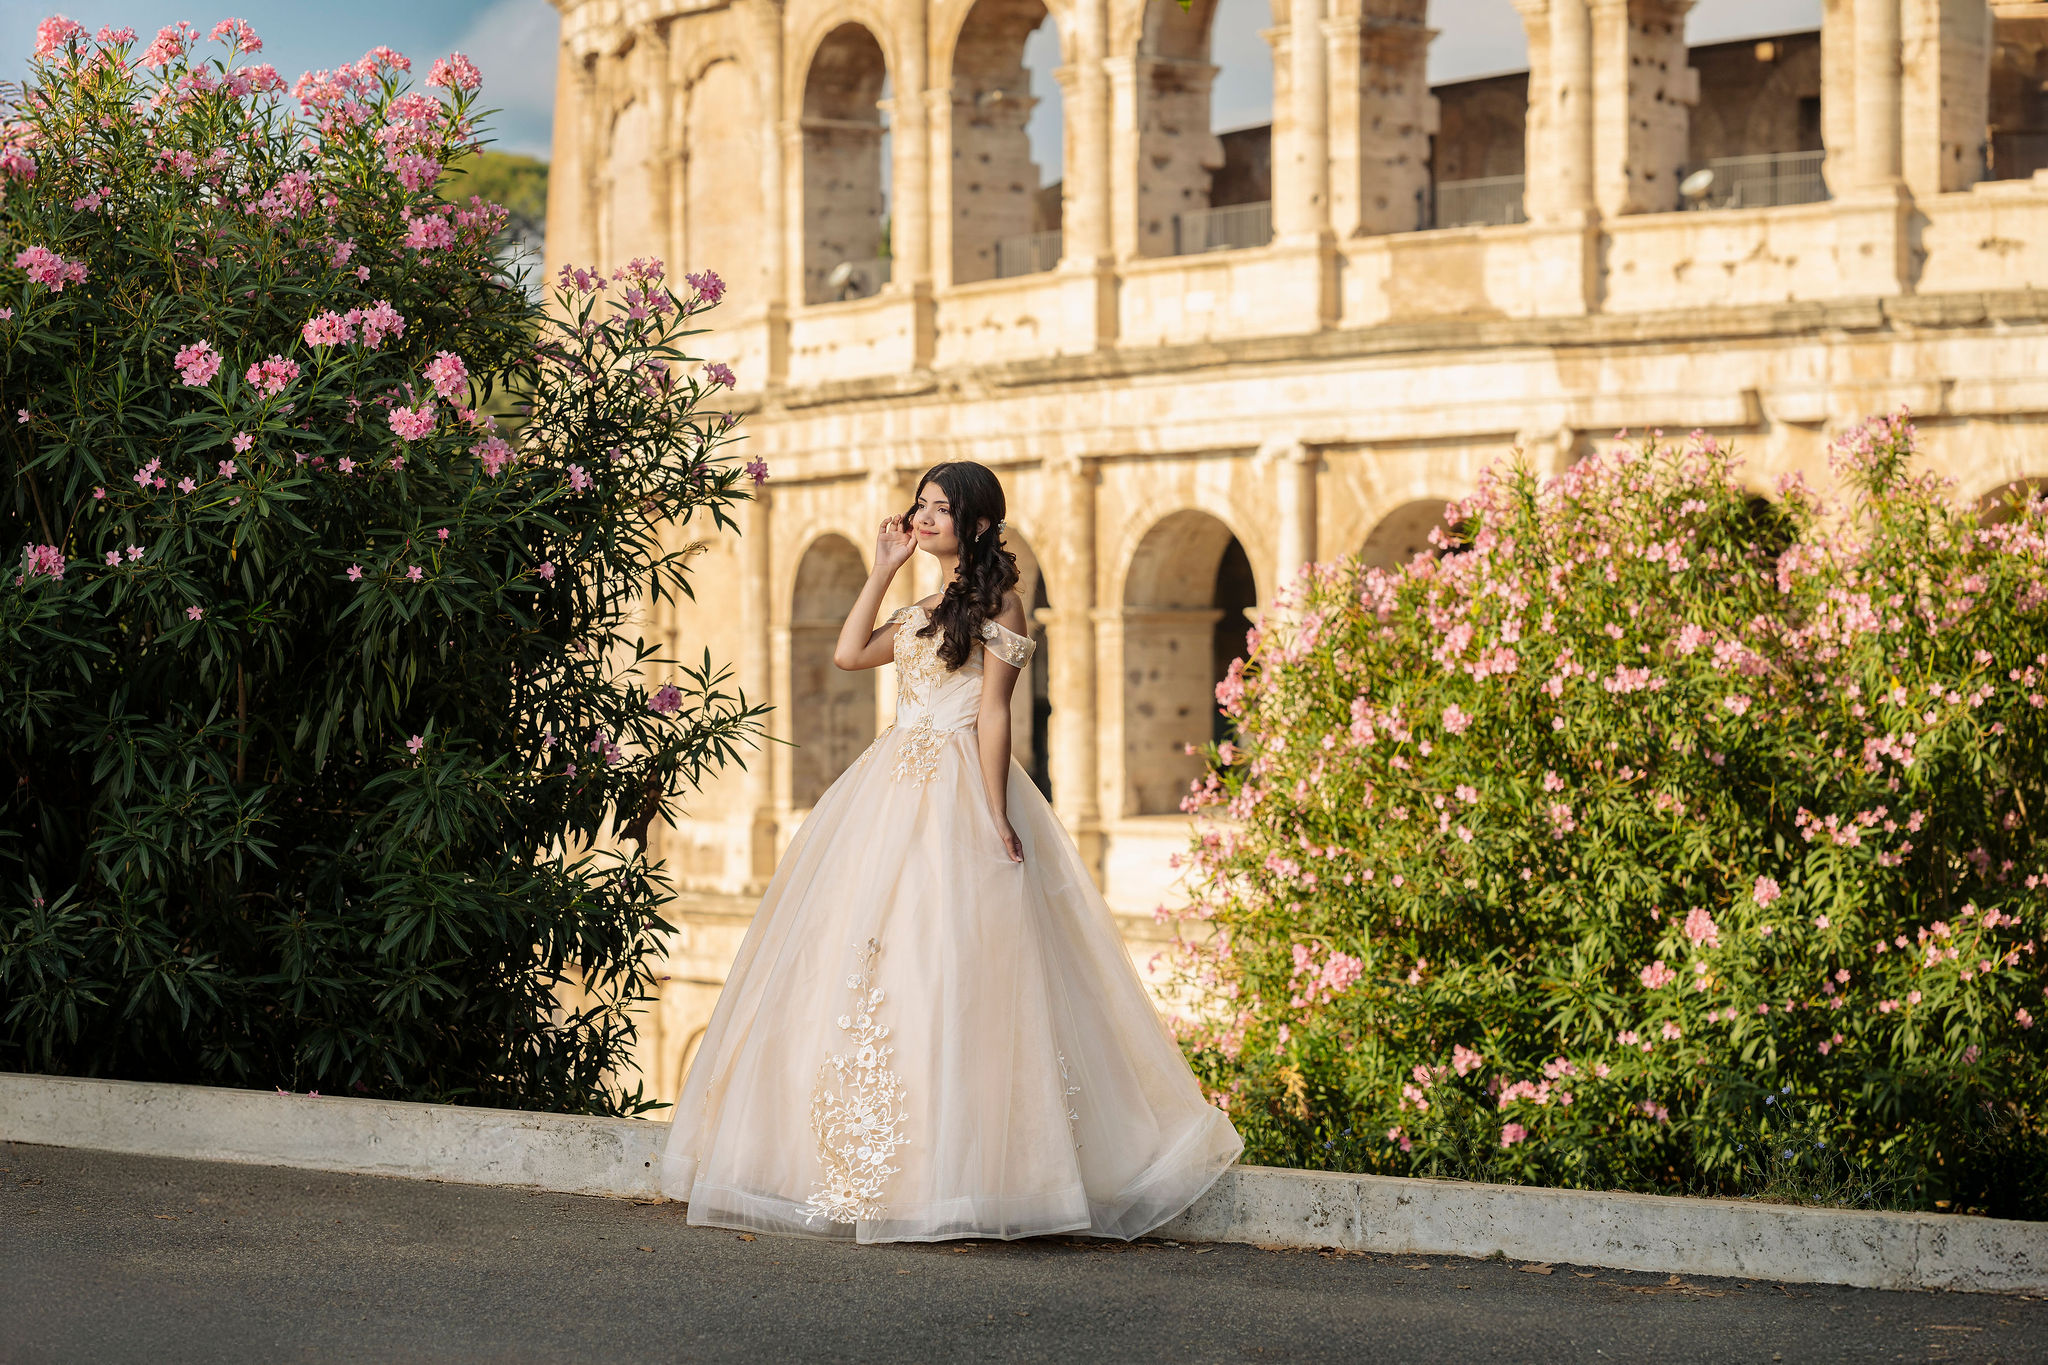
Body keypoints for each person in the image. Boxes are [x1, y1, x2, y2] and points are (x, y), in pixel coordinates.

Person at [659, 460, 1243, 1243]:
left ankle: (973, 1176)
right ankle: (883, 1166)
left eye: (940, 509)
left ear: (974, 523)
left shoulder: (1002, 604)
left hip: (959, 781)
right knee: (883, 961)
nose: (923, 517)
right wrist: (881, 569)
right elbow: (847, 653)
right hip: (889, 788)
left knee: (957, 962)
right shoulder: (921, 603)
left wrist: (995, 814)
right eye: (920, 505)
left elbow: (995, 713)